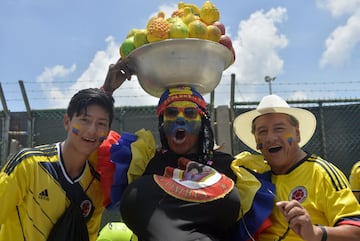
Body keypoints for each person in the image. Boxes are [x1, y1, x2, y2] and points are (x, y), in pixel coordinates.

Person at [232, 94, 360, 241]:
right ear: (256, 141)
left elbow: (356, 232)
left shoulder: (321, 173)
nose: (270, 138)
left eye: (279, 129)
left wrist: (316, 233)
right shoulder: (252, 177)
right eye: (262, 131)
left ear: (297, 134)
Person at [0, 88, 117, 241]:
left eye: (101, 124)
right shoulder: (29, 165)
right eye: (85, 120)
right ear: (67, 122)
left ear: (108, 132)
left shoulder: (96, 186)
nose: (92, 130)